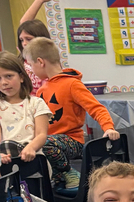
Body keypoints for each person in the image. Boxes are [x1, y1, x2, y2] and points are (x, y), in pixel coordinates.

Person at [23, 37, 120, 190]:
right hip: (51, 142)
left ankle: (69, 173)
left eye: (31, 65)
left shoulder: (72, 84)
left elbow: (97, 108)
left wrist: (108, 127)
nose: (31, 71)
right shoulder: (41, 90)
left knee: (45, 142)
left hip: (72, 141)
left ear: (40, 62)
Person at [0, 51, 50, 164]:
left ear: (21, 77)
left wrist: (31, 148)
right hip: (6, 161)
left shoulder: (36, 103)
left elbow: (41, 134)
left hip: (33, 159)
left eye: (8, 76)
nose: (4, 82)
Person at [17, 0, 56, 94]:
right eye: (21, 40)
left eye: (28, 39)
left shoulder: (49, 60)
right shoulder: (25, 59)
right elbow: (24, 24)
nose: (24, 43)